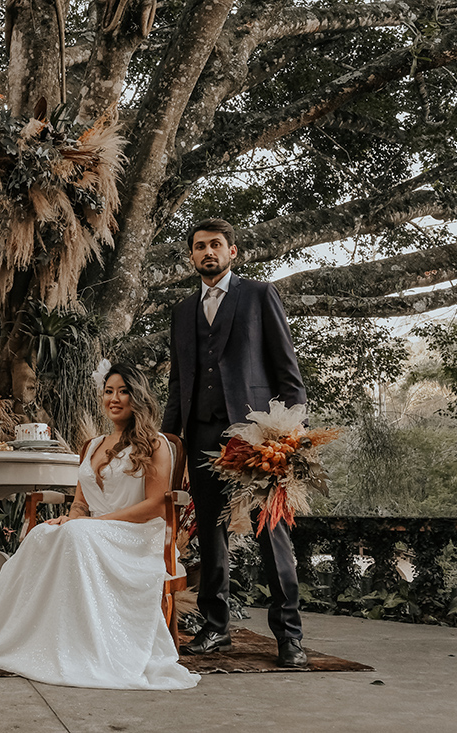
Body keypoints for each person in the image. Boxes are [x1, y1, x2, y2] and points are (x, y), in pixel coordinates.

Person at [0, 362, 200, 690]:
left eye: (123, 391)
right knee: (43, 533)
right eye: (109, 391)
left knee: (76, 532)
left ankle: (85, 647)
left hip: (136, 536)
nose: (115, 398)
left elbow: (155, 505)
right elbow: (81, 502)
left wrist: (91, 523)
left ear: (137, 397)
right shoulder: (94, 445)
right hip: (94, 531)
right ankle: (33, 635)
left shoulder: (154, 445)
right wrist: (71, 516)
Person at [162, 217, 308, 668]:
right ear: (191, 255)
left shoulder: (260, 296)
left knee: (271, 534)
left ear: (233, 252)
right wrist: (171, 445)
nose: (208, 252)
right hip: (202, 435)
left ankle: (289, 636)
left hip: (258, 438)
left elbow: (288, 374)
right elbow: (178, 382)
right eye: (200, 246)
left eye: (216, 245)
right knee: (211, 534)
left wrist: (290, 436)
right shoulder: (183, 311)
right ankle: (216, 627)